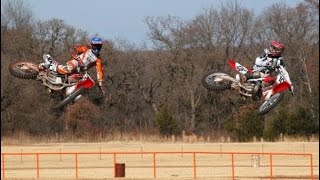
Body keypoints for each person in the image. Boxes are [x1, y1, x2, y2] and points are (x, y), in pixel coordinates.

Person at [40, 37, 105, 94]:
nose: (97, 48)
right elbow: (73, 49)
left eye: (98, 46)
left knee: (80, 82)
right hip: (76, 63)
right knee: (69, 69)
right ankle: (51, 65)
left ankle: (67, 93)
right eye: (95, 46)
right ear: (92, 45)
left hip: (81, 70)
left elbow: (99, 72)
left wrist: (100, 84)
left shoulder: (98, 60)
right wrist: (76, 57)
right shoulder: (85, 48)